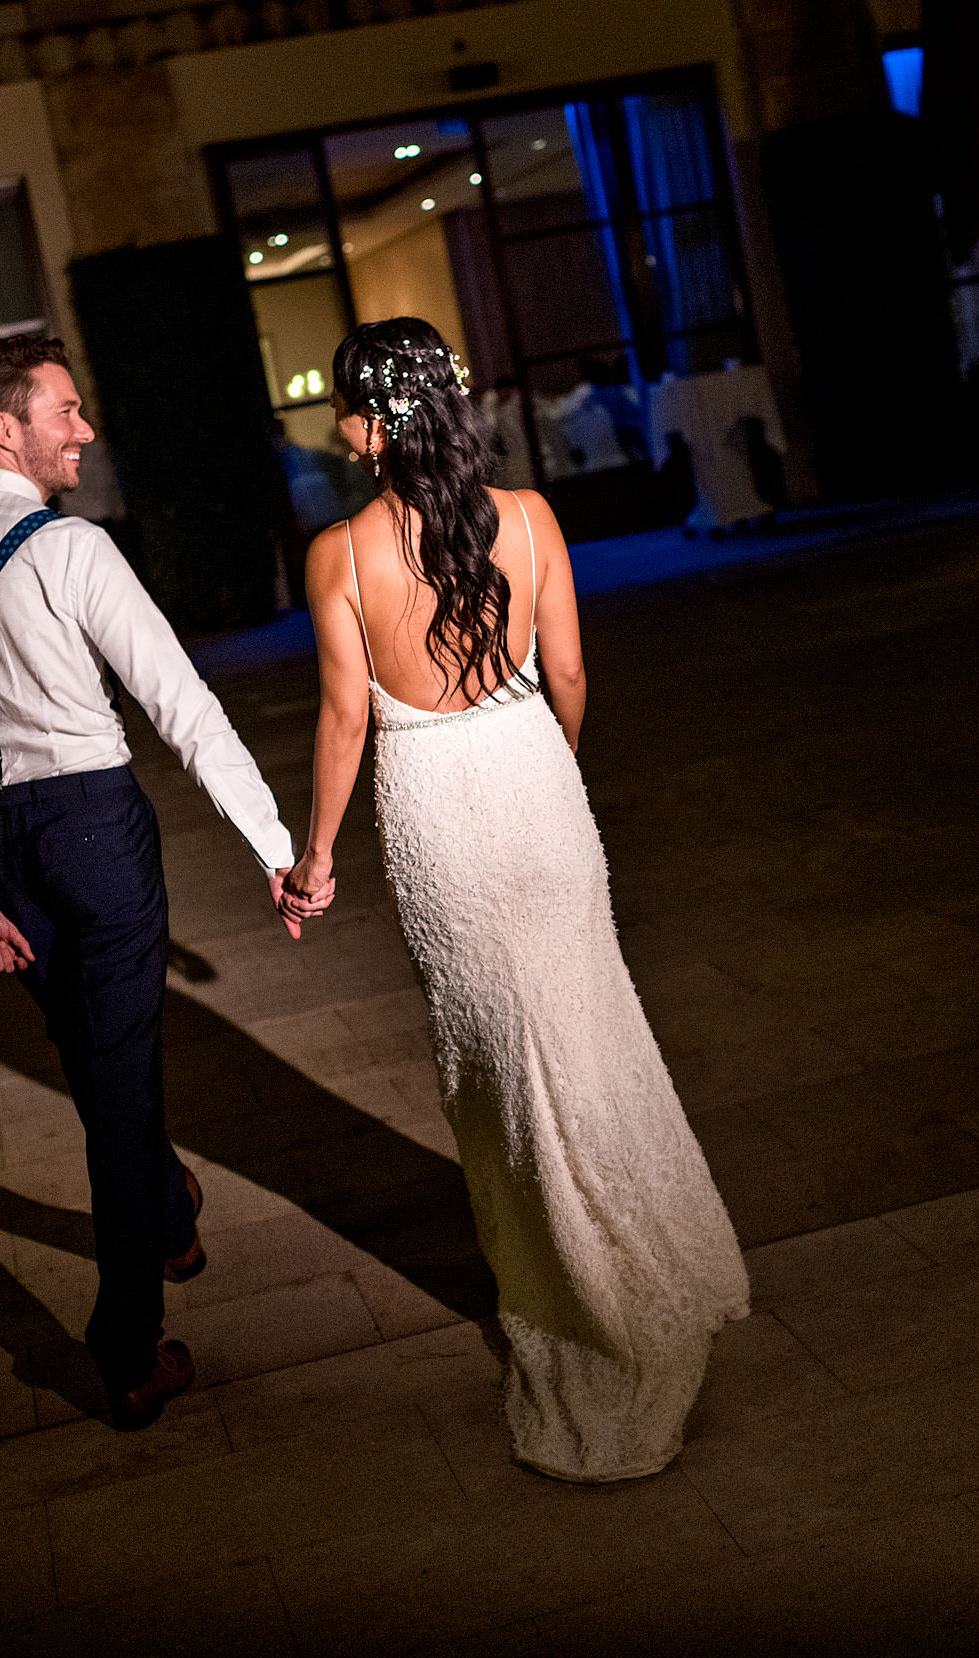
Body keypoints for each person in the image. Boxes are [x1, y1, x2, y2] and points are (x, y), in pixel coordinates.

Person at [279, 317, 749, 1483]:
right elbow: (572, 674)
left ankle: (573, 1286)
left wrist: (316, 856)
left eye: (344, 407)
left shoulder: (338, 554)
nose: (337, 427)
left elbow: (345, 720)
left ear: (376, 421)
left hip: (438, 810)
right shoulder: (532, 519)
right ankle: (647, 1257)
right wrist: (551, 775)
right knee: (586, 1032)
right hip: (536, 781)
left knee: (494, 1060)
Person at [0, 333, 304, 1430]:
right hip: (90, 832)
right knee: (109, 1081)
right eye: (64, 410)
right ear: (1, 428)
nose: (85, 428)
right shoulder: (70, 549)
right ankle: (124, 1350)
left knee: (93, 1056)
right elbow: (180, 701)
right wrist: (273, 841)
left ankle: (166, 1206)